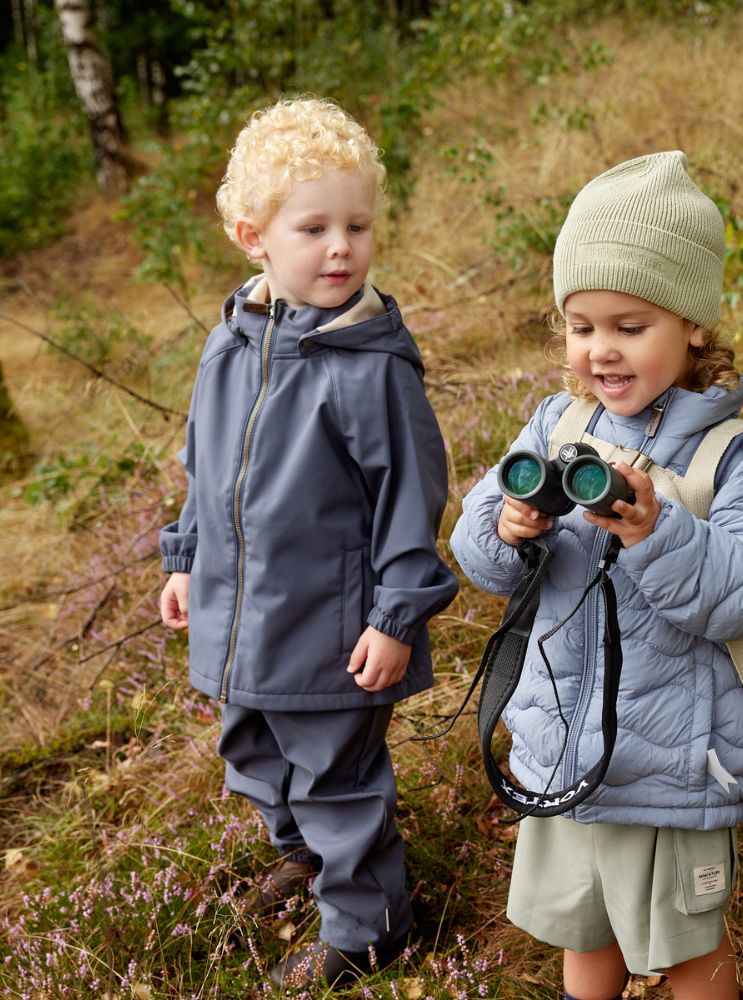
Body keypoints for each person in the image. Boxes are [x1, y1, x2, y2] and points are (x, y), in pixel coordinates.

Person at [449, 152, 743, 1000]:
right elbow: (477, 553)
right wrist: (509, 527)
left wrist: (656, 531)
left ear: (692, 325)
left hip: (678, 765)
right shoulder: (556, 422)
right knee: (584, 930)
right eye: (581, 328)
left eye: (629, 326)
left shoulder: (740, 455)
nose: (600, 351)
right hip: (566, 750)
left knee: (686, 949)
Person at [158, 97, 458, 989]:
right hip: (238, 611)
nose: (341, 248)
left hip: (335, 628)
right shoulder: (230, 343)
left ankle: (370, 927)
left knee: (336, 776)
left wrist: (396, 616)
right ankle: (305, 859)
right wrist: (184, 557)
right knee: (251, 753)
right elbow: (205, 464)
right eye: (315, 227)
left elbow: (412, 499)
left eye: (358, 226)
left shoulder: (370, 365)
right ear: (254, 236)